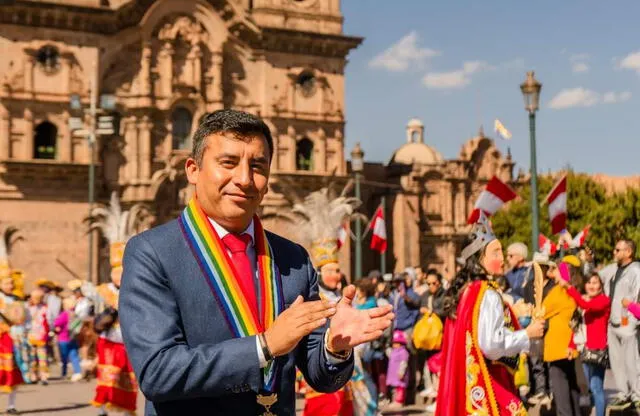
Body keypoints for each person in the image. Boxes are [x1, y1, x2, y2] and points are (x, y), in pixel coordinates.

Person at [119, 110, 394, 416]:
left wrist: (335, 345)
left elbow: (320, 376)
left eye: (257, 166)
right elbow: (158, 373)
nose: (244, 179)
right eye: (228, 163)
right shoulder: (153, 253)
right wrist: (263, 347)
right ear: (193, 169)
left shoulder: (293, 259)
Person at [436, 214, 544, 416]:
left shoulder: (465, 291)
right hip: (488, 385)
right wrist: (527, 334)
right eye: (495, 254)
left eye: (502, 253)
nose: (502, 259)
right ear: (479, 259)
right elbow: (490, 344)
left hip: (467, 389)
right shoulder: (487, 293)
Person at [88, 192, 140, 416]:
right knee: (108, 376)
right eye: (116, 272)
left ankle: (128, 410)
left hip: (130, 341)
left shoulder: (136, 291)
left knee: (130, 379)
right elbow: (89, 315)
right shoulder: (102, 292)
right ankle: (103, 410)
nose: (120, 276)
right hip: (109, 340)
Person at [598, 239, 640, 410]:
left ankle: (637, 394)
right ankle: (623, 393)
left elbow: (636, 296)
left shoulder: (636, 270)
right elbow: (592, 275)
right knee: (617, 361)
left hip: (628, 322)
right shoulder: (614, 269)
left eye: (617, 250)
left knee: (632, 360)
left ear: (628, 252)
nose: (614, 253)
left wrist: (632, 320)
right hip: (612, 322)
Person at [560, 272, 610, 416]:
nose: (592, 286)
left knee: (596, 387)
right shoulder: (583, 300)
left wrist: (569, 288)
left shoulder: (603, 300)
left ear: (600, 285)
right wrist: (571, 345)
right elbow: (576, 326)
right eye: (589, 283)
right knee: (586, 387)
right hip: (584, 349)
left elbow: (587, 305)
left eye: (595, 282)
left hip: (597, 350)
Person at [541, 261, 579, 416]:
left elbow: (541, 312)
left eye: (555, 269)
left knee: (560, 390)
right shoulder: (571, 290)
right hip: (569, 343)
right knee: (571, 386)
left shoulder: (559, 292)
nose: (552, 272)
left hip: (558, 346)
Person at [54, 296, 83, 382]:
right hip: (73, 337)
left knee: (64, 357)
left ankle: (64, 373)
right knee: (74, 356)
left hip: (63, 338)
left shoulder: (64, 314)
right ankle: (78, 372)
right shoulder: (75, 314)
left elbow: (57, 323)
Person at [27, 288, 49, 385]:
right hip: (30, 335)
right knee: (32, 358)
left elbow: (49, 320)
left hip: (41, 335)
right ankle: (33, 375)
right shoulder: (27, 308)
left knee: (42, 357)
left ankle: (43, 375)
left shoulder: (45, 308)